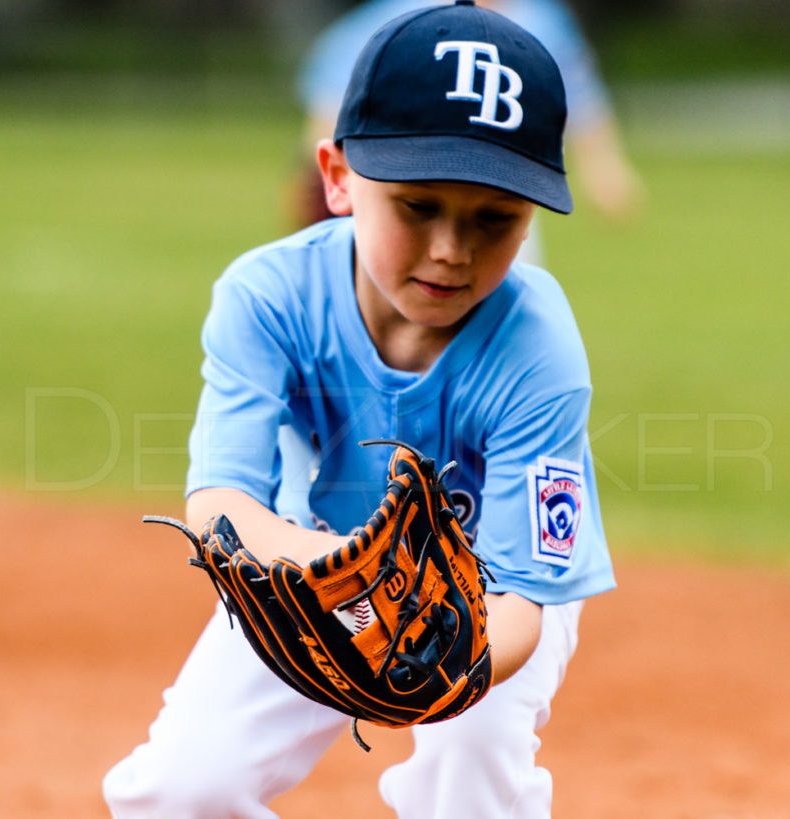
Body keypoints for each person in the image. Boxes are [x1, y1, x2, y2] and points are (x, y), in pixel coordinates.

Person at [104, 2, 616, 816]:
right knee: (184, 784)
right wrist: (331, 580)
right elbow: (220, 503)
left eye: (496, 218)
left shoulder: (539, 347)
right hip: (313, 564)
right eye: (418, 206)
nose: (453, 248)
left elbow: (526, 596)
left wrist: (438, 649)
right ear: (339, 178)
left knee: (470, 767)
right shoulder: (267, 296)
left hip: (479, 608)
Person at [293, 0, 644, 263]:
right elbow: (333, 100)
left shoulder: (540, 20)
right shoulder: (400, 17)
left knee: (506, 289)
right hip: (416, 179)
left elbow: (580, 98)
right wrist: (323, 174)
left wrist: (604, 168)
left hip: (504, 180)